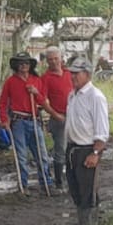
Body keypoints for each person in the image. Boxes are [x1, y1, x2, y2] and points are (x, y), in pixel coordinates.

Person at [65, 57, 110, 225]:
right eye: (72, 73)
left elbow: (102, 129)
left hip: (87, 150)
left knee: (87, 192)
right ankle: (83, 224)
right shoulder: (72, 95)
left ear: (87, 74)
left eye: (77, 73)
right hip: (72, 149)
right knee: (75, 189)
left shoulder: (95, 97)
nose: (73, 77)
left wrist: (96, 153)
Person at [0, 55, 54, 192]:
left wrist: (35, 93)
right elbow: (3, 102)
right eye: (21, 63)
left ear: (30, 65)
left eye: (26, 63)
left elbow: (42, 101)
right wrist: (4, 119)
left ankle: (46, 183)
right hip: (18, 121)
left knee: (42, 154)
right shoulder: (10, 82)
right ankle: (23, 185)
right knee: (21, 156)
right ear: (16, 65)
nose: (24, 65)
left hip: (34, 120)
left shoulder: (36, 80)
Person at [40, 49, 72, 189]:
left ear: (61, 58)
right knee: (61, 149)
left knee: (75, 147)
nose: (53, 61)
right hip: (59, 117)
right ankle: (59, 182)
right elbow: (42, 100)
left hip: (74, 116)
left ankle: (72, 176)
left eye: (55, 58)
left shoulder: (69, 73)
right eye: (50, 59)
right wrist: (54, 114)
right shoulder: (45, 78)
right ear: (47, 61)